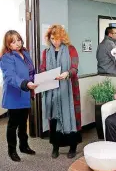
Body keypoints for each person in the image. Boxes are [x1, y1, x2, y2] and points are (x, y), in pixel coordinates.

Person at [40, 24, 82, 159]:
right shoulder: (46, 53)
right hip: (52, 92)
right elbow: (42, 68)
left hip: (68, 90)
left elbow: (75, 68)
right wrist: (45, 75)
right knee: (54, 118)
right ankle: (55, 147)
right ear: (49, 38)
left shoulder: (71, 50)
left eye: (57, 38)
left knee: (71, 116)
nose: (55, 41)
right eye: (52, 38)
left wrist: (67, 74)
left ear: (62, 37)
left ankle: (72, 147)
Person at [0, 30, 37, 162]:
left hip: (26, 93)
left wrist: (36, 81)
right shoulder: (6, 57)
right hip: (14, 95)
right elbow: (10, 77)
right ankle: (12, 150)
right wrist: (25, 83)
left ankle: (24, 146)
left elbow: (31, 71)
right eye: (13, 42)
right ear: (8, 44)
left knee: (23, 123)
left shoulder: (25, 53)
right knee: (13, 124)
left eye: (19, 40)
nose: (17, 43)